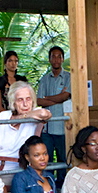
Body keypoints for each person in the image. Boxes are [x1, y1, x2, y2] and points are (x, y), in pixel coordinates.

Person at [0, 81, 51, 175]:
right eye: (20, 100)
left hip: (19, 168)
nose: (25, 104)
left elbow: (44, 114)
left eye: (28, 99)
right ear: (13, 102)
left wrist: (24, 116)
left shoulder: (35, 113)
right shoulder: (3, 115)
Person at [37, 46, 70, 185]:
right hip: (47, 128)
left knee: (63, 158)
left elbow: (66, 96)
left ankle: (62, 185)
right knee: (47, 159)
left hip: (62, 127)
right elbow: (38, 100)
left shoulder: (69, 76)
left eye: (59, 56)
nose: (56, 59)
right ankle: (49, 186)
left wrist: (48, 98)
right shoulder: (44, 79)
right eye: (53, 56)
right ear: (49, 59)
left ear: (62, 59)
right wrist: (58, 97)